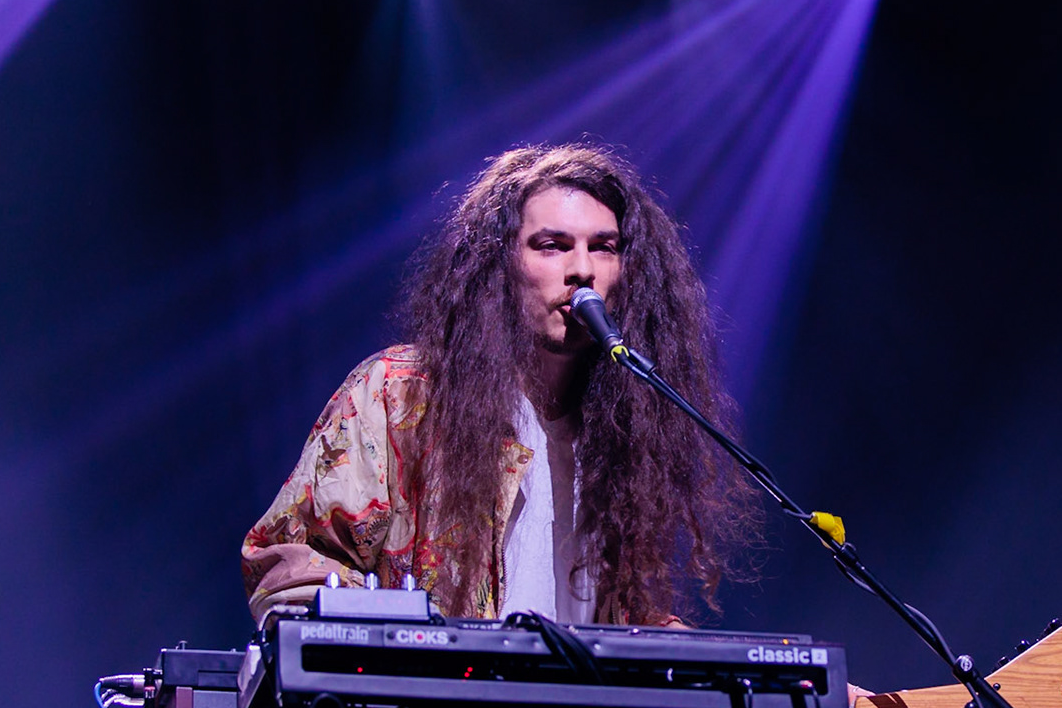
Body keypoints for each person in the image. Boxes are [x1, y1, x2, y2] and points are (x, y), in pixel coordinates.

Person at [242, 142, 751, 627]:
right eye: (551, 246)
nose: (582, 270)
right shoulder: (401, 394)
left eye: (604, 248)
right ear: (499, 266)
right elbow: (292, 569)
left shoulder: (625, 431)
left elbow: (615, 622)